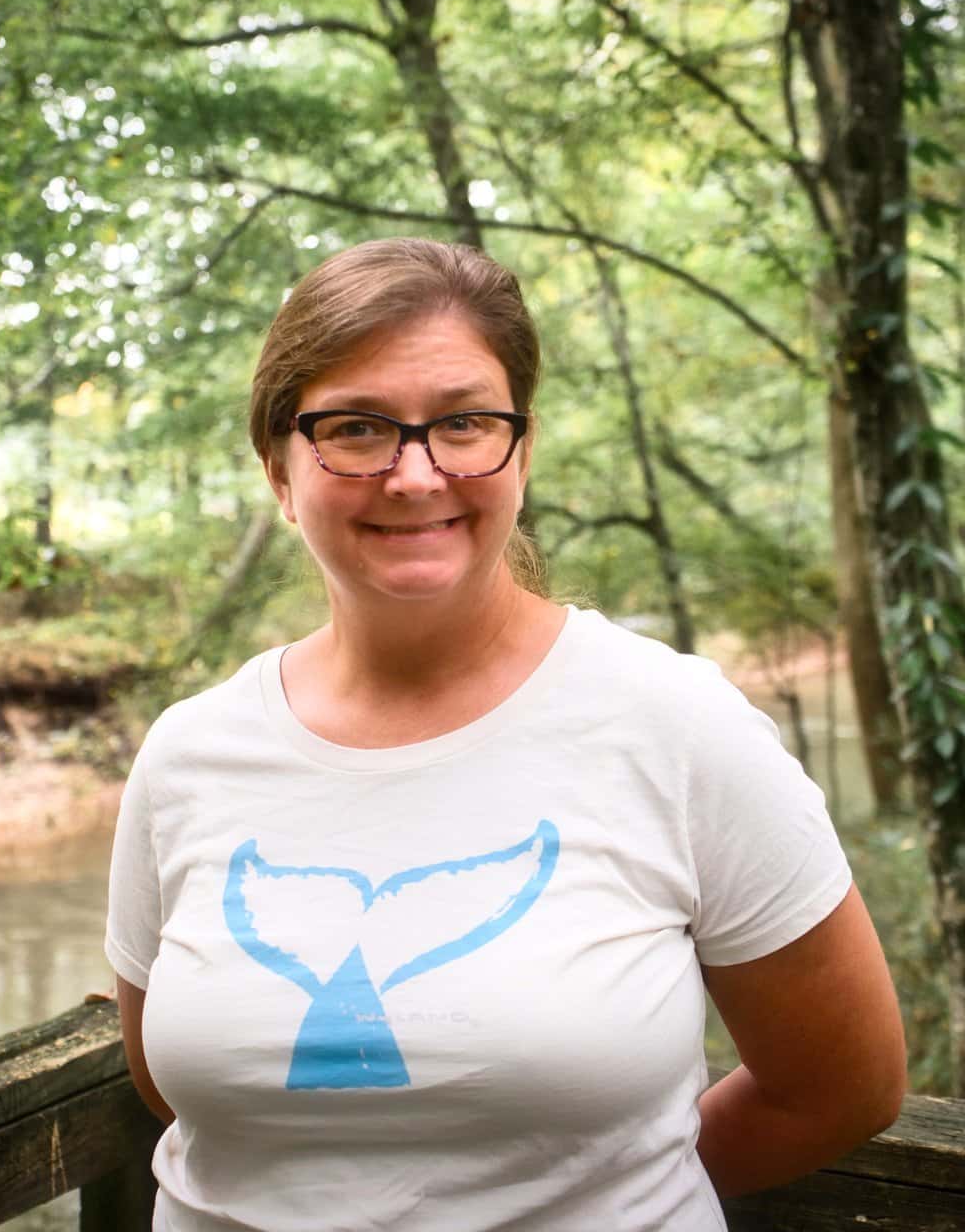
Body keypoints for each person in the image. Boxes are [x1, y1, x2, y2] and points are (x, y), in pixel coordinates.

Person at [105, 237, 906, 1230]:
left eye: (465, 423)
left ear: (521, 449)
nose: (415, 473)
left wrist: (599, 1188)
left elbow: (842, 1085)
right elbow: (162, 1080)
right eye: (356, 428)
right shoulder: (189, 753)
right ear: (278, 468)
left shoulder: (678, 726)